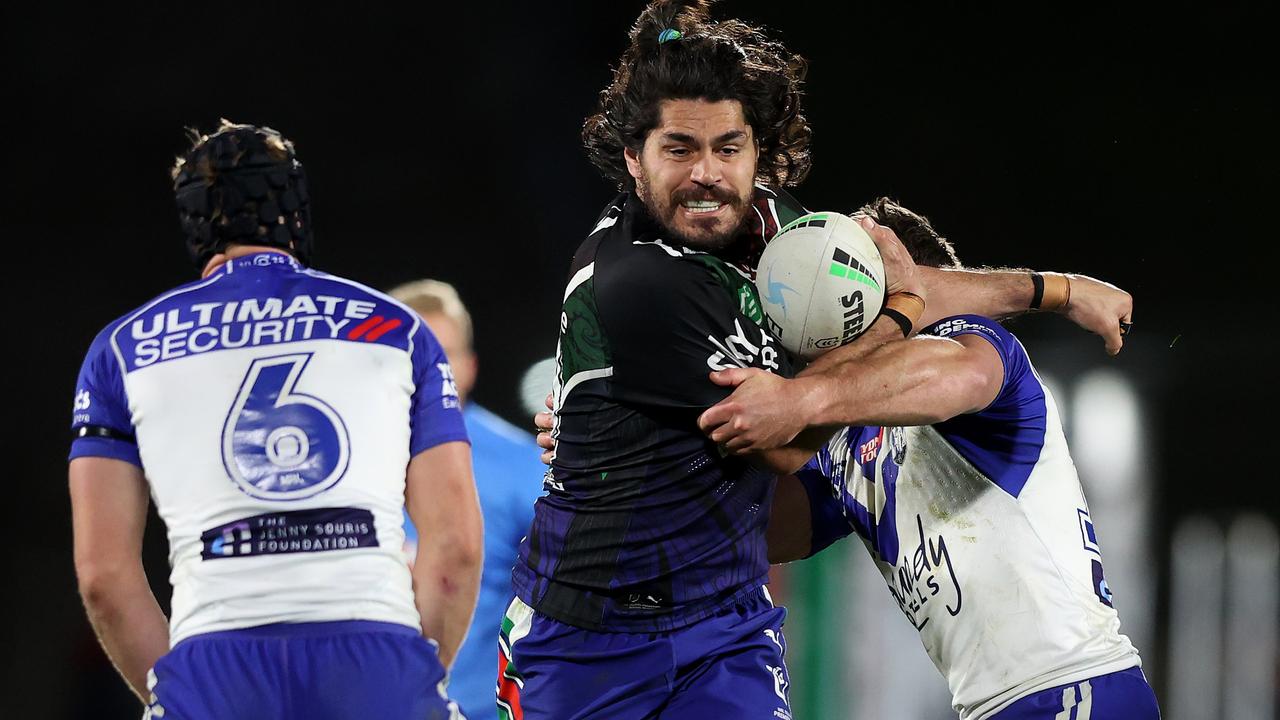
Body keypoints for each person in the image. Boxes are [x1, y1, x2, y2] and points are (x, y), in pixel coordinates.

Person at [505, 2, 1134, 718]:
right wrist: (887, 324)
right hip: (588, 636)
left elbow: (898, 304)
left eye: (728, 149)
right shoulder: (640, 286)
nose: (707, 175)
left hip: (730, 627)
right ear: (633, 158)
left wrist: (1056, 289)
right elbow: (782, 440)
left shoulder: (778, 227)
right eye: (679, 149)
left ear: (756, 152)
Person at [68, 121, 483, 719]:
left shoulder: (121, 348)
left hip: (214, 667)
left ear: (194, 220)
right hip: (375, 655)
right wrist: (410, 675)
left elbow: (103, 579)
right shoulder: (398, 330)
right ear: (292, 207)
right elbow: (458, 548)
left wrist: (179, 691)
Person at [697, 198, 1160, 719]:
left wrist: (805, 395)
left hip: (1073, 687)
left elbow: (961, 378)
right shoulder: (842, 441)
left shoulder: (978, 346)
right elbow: (755, 532)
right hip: (998, 706)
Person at [388, 279, 546, 720]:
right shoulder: (345, 464)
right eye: (414, 355)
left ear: (471, 365)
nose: (429, 371)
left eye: (444, 357)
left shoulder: (523, 467)